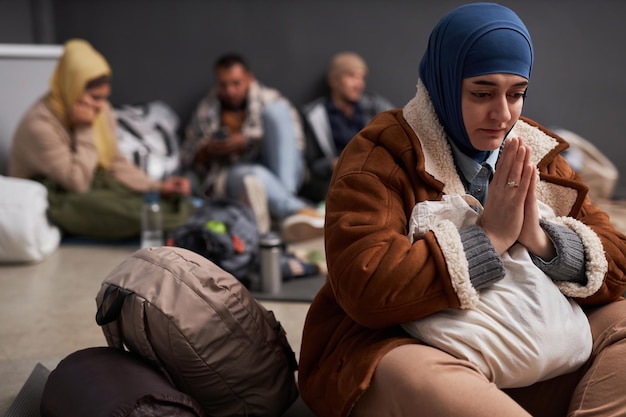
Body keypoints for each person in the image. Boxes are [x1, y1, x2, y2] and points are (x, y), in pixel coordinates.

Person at [297, 3, 626, 417]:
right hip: (408, 346)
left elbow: (617, 258)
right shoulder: (378, 154)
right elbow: (364, 286)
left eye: (517, 93)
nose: (502, 114)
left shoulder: (533, 152)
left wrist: (541, 240)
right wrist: (487, 239)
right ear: (445, 81)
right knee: (422, 377)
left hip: (531, 338)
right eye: (482, 93)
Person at [9, 39, 193, 241]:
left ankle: (179, 214)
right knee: (121, 211)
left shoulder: (101, 109)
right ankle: (177, 221)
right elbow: (77, 183)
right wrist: (85, 128)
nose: (102, 106)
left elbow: (115, 162)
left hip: (90, 177)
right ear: (74, 88)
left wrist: (158, 187)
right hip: (52, 192)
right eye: (95, 97)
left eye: (105, 97)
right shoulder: (40, 125)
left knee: (146, 200)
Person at [181, 53, 324, 242]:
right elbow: (188, 155)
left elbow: (295, 146)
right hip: (235, 174)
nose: (230, 91)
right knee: (251, 174)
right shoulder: (206, 109)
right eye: (223, 85)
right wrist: (209, 150)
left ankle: (283, 203)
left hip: (282, 172)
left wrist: (248, 141)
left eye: (236, 83)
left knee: (276, 111)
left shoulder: (271, 98)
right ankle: (298, 210)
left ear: (250, 78)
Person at [300, 52, 394, 203]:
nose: (359, 84)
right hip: (336, 181)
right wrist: (333, 164)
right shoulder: (315, 115)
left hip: (375, 175)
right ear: (334, 80)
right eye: (352, 76)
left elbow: (397, 134)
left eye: (362, 78)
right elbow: (311, 164)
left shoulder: (374, 106)